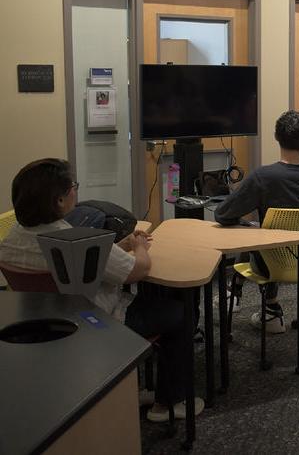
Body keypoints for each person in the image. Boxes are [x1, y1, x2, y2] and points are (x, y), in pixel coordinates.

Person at [0, 158, 201, 422]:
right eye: (73, 186)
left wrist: (120, 246)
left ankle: (124, 386)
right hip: (99, 323)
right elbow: (138, 270)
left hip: (45, 326)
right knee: (180, 312)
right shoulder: (78, 241)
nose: (76, 191)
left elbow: (89, 265)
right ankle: (169, 401)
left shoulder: (11, 240)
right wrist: (139, 246)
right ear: (60, 200)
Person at [214, 110, 299, 334]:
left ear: (277, 137)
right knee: (264, 230)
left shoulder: (264, 177)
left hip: (270, 263)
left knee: (257, 231)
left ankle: (251, 300)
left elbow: (223, 214)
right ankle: (265, 308)